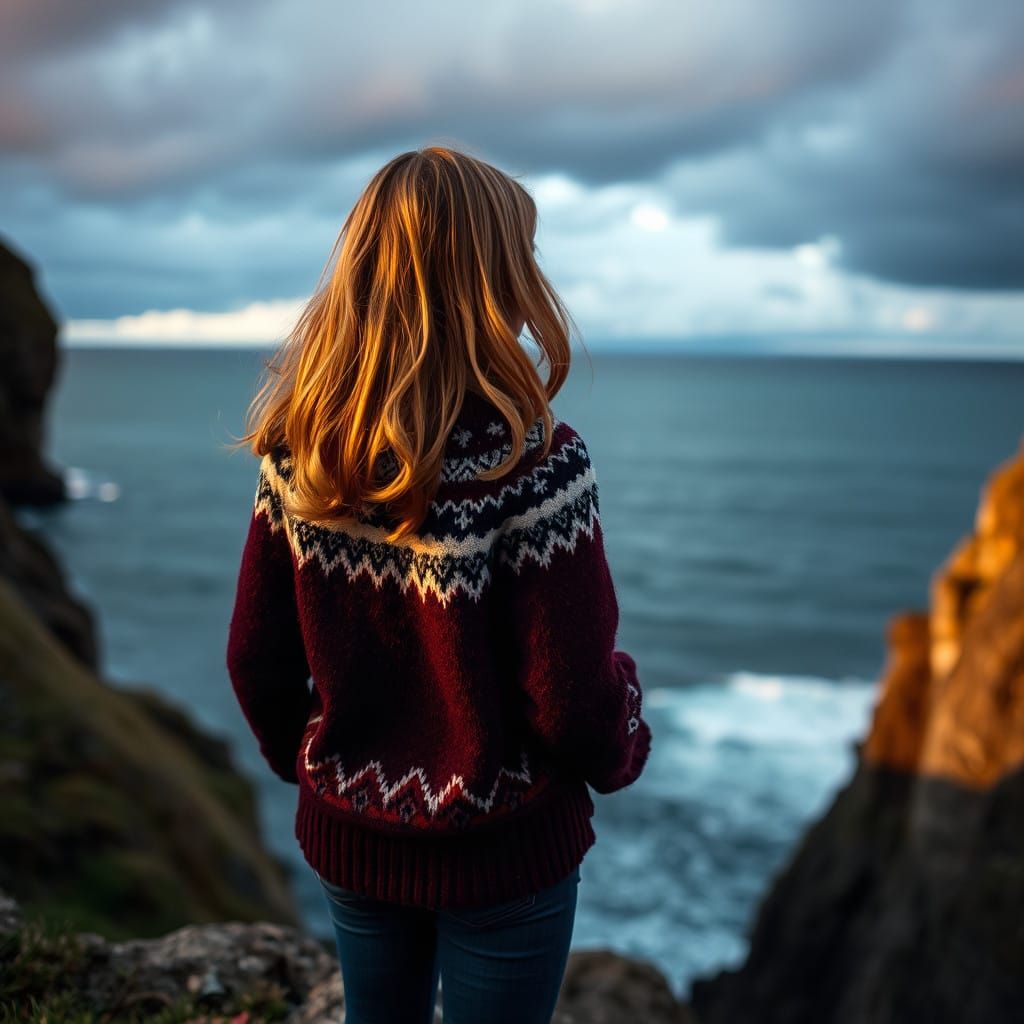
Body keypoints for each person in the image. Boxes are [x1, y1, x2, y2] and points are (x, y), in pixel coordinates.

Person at [225, 144, 653, 1024]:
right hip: (507, 853)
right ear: (495, 281)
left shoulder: (302, 453)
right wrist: (626, 742)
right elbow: (570, 698)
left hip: (351, 836)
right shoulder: (536, 463)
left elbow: (255, 659)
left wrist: (321, 773)